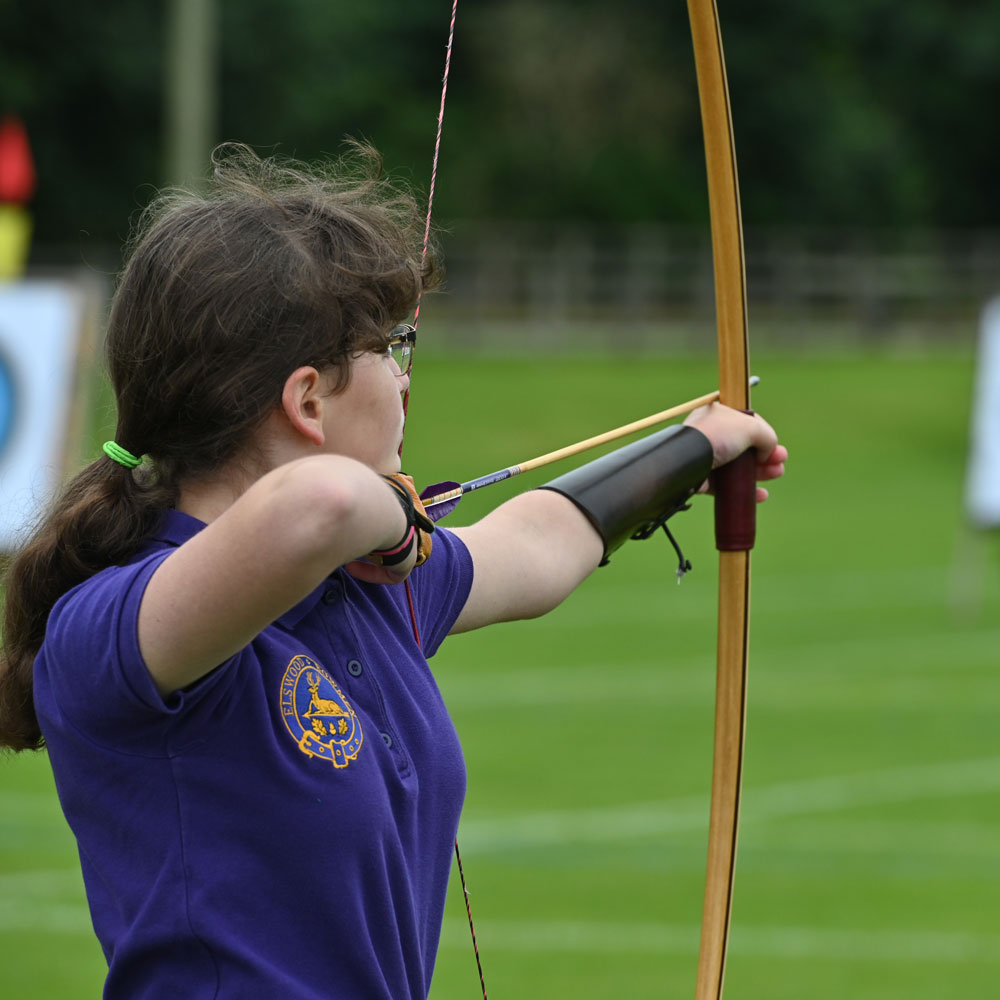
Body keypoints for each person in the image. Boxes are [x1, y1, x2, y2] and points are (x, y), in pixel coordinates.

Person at [0, 143, 786, 1000]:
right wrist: (399, 529)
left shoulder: (357, 584)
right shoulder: (114, 627)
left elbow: (535, 544)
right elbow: (322, 506)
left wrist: (695, 448)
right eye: (388, 346)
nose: (406, 376)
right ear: (306, 401)